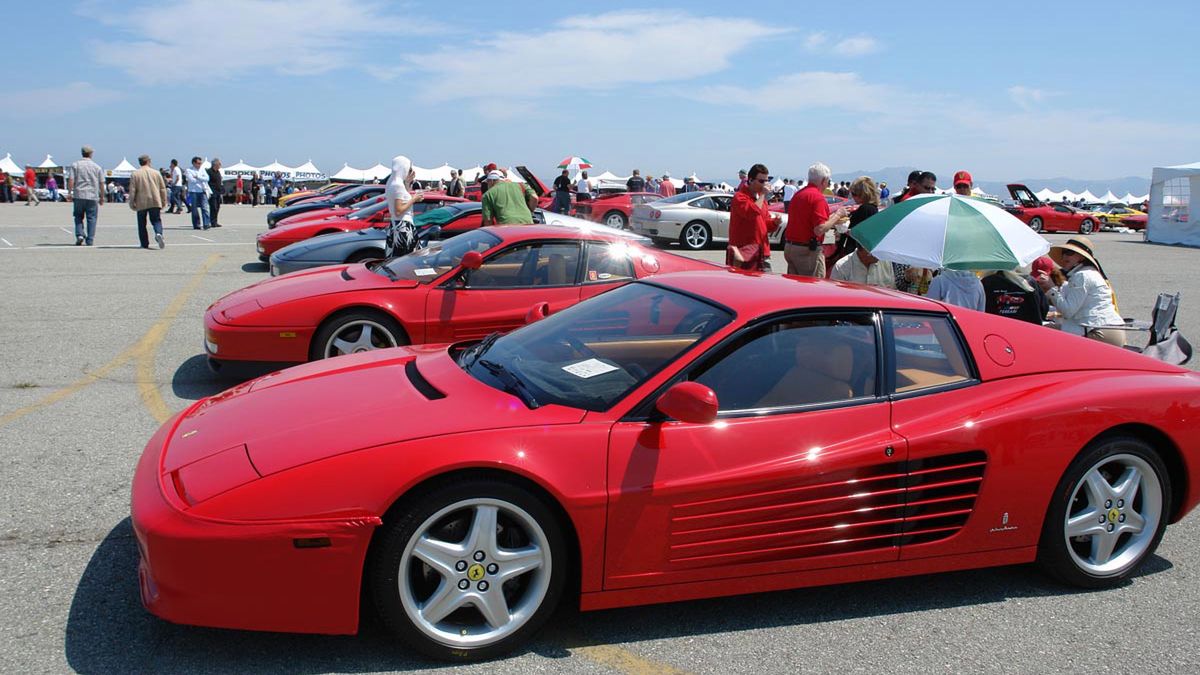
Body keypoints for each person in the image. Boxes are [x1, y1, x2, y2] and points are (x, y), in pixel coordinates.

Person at [1036, 236, 1125, 346]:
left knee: (1044, 333)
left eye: (1069, 252)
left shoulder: (1082, 276)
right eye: (1063, 252)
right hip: (1103, 329)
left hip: (1100, 332)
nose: (1064, 256)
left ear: (1081, 257)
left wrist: (1051, 289)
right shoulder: (1085, 273)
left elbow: (1068, 311)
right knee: (1048, 329)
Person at [784, 162, 848, 277]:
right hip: (807, 251)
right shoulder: (817, 198)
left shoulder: (798, 195)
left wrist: (832, 219)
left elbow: (808, 221)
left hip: (791, 247)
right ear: (824, 180)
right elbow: (819, 229)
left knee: (795, 287)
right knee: (814, 287)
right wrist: (838, 215)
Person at [726, 163, 780, 271]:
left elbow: (764, 224)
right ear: (750, 180)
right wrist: (763, 195)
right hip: (745, 254)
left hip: (762, 252)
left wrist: (774, 223)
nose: (765, 184)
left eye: (766, 181)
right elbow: (751, 212)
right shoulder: (740, 197)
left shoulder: (760, 199)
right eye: (761, 181)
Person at [832, 176, 880, 263]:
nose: (852, 197)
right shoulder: (873, 208)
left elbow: (859, 233)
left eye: (854, 194)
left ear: (863, 194)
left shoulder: (865, 209)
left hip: (857, 253)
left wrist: (843, 229)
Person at [383, 155, 424, 257]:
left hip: (396, 225)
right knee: (407, 261)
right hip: (403, 227)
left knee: (396, 261)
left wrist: (407, 182)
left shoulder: (391, 182)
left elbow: (402, 197)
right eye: (408, 168)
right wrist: (414, 199)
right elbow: (399, 210)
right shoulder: (397, 185)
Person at [983, 265, 1048, 324]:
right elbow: (1043, 310)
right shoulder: (1029, 281)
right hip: (1027, 330)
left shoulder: (986, 282)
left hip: (995, 331)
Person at [128, 154, 168, 249]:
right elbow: (162, 188)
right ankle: (158, 233)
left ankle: (144, 243)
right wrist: (164, 200)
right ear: (149, 161)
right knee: (156, 220)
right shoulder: (156, 173)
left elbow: (132, 189)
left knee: (142, 223)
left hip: (141, 201)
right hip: (155, 200)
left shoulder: (135, 174)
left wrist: (131, 202)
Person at [68, 146, 105, 245]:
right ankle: (90, 239)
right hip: (92, 195)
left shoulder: (75, 165)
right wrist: (102, 197)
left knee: (78, 216)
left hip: (79, 194)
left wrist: (69, 193)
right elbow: (102, 183)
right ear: (91, 154)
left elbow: (71, 180)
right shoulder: (97, 167)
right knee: (92, 217)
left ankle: (79, 234)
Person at [831, 246, 895, 288]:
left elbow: (892, 289)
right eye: (875, 251)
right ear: (863, 249)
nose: (879, 255)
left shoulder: (886, 262)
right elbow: (836, 296)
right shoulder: (842, 267)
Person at [184, 156, 210, 230]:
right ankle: (196, 224)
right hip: (193, 191)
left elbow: (207, 178)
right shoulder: (189, 170)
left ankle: (206, 224)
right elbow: (192, 180)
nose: (200, 165)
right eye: (198, 163)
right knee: (194, 209)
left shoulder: (202, 169)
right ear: (194, 163)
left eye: (200, 163)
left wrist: (198, 177)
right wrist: (201, 179)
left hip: (202, 190)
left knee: (205, 208)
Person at [207, 158, 223, 228]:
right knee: (213, 207)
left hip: (218, 192)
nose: (220, 165)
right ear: (215, 164)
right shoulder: (209, 171)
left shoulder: (218, 172)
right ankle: (212, 222)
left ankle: (215, 221)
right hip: (212, 192)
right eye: (219, 164)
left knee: (218, 207)